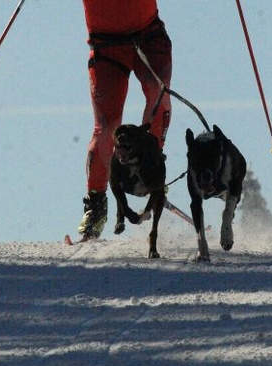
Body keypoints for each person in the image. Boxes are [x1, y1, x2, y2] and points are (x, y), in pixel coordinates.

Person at [78, 0, 173, 240]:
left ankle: (151, 171)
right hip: (106, 45)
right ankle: (96, 205)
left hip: (149, 36)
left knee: (157, 96)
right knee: (107, 128)